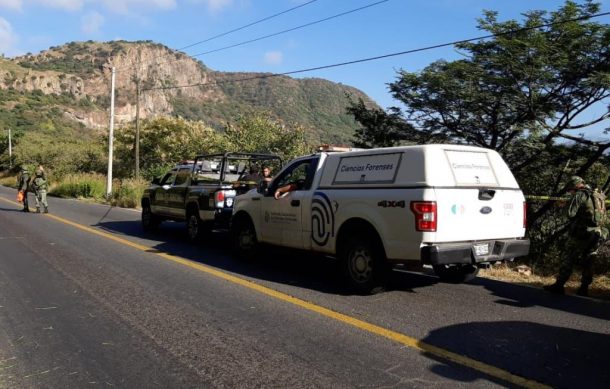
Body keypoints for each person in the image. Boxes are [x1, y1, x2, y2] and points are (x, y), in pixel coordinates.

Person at [544, 176, 608, 296]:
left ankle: (559, 285)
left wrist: (564, 205)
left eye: (570, 189)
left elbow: (570, 214)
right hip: (597, 232)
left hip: (581, 232)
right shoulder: (598, 194)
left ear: (575, 186)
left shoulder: (580, 194)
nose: (570, 191)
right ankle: (584, 288)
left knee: (568, 257)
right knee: (589, 259)